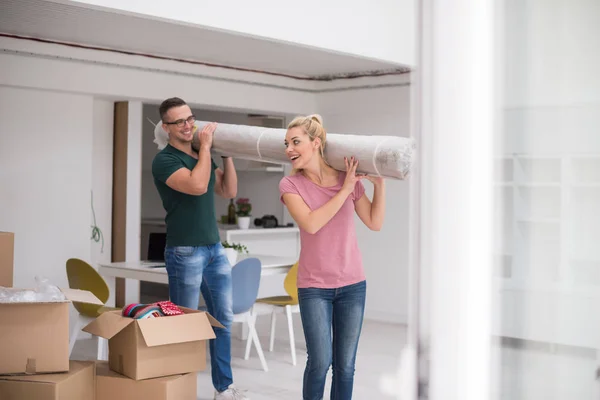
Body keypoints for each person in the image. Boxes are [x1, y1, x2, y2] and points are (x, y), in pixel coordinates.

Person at [279, 114, 385, 400]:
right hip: (314, 287)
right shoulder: (290, 186)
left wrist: (379, 185)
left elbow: (375, 223)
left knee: (346, 366)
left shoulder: (345, 178)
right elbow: (312, 223)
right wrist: (345, 191)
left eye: (296, 142)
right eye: (287, 143)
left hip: (353, 284)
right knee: (320, 362)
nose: (289, 149)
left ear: (316, 143)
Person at [151, 97, 248, 400]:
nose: (187, 125)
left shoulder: (201, 154)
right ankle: (179, 390)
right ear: (166, 128)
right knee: (184, 322)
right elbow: (197, 186)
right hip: (184, 252)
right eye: (178, 121)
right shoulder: (165, 160)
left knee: (223, 319)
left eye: (189, 118)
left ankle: (224, 388)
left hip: (214, 250)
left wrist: (227, 156)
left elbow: (229, 191)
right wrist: (205, 149)